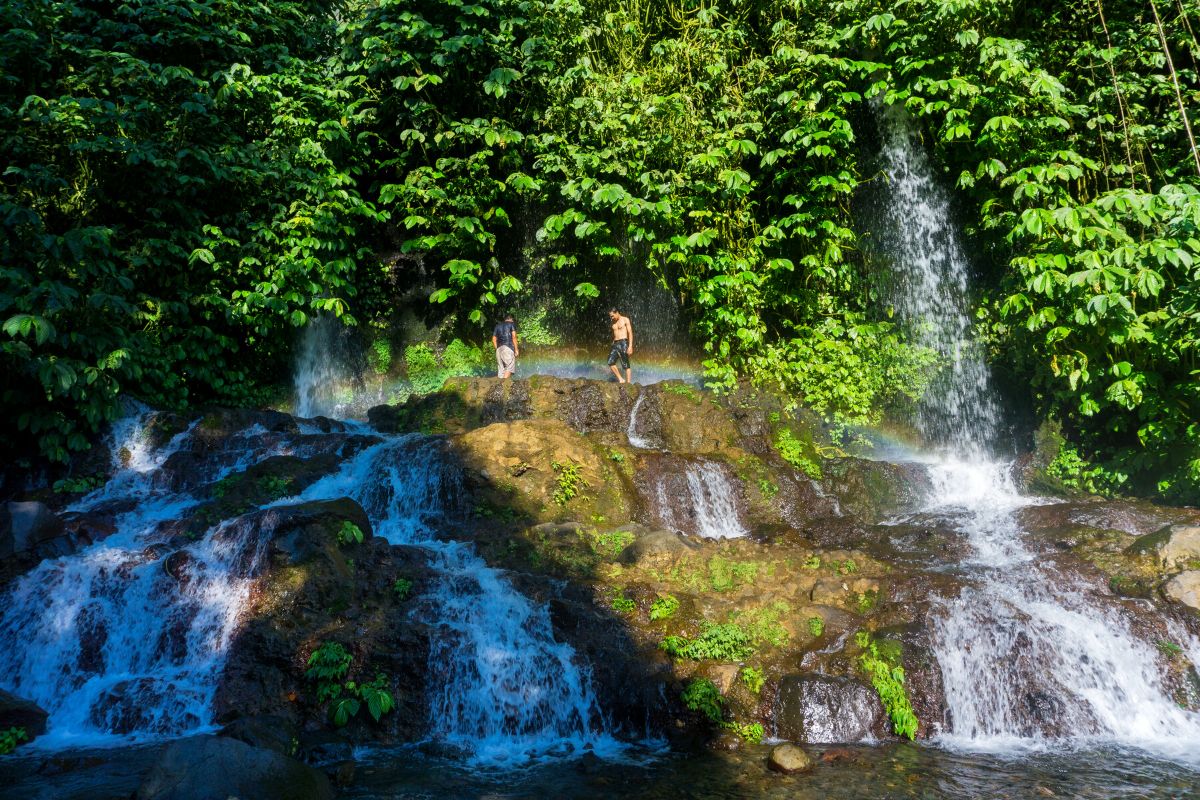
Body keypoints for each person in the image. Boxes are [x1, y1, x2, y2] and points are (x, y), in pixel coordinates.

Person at [607, 308, 634, 383]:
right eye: (610, 316)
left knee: (625, 363)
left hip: (623, 342)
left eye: (612, 316)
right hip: (615, 343)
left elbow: (630, 333)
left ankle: (628, 383)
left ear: (617, 313)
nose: (611, 318)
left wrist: (630, 346)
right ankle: (621, 379)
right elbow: (615, 334)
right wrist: (613, 343)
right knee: (610, 361)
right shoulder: (613, 322)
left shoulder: (625, 320)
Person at [492, 313, 519, 379]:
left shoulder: (497, 326)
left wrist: (497, 349)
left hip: (499, 349)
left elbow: (493, 339)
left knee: (501, 370)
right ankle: (503, 386)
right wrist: (516, 349)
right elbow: (514, 336)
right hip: (508, 347)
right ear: (511, 319)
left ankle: (499, 387)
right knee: (509, 368)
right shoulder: (511, 324)